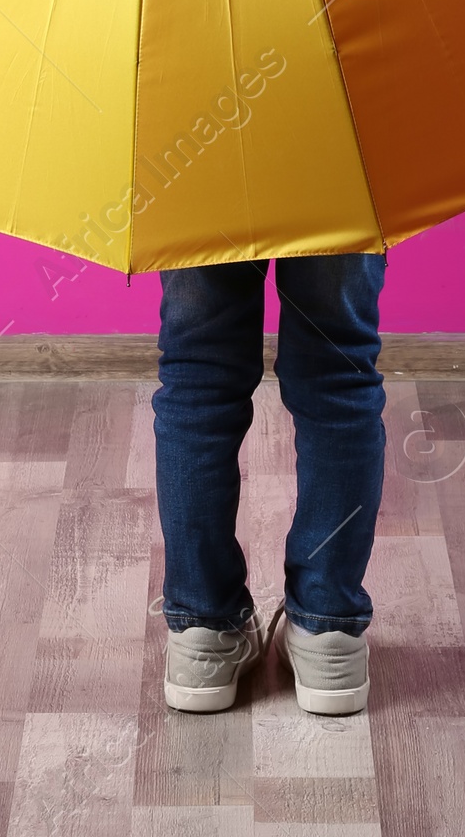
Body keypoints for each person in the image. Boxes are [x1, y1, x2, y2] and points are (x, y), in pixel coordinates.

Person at [154, 250, 387, 715]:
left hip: (198, 176)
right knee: (338, 372)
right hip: (334, 179)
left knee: (200, 370)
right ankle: (328, 636)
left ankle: (204, 632)